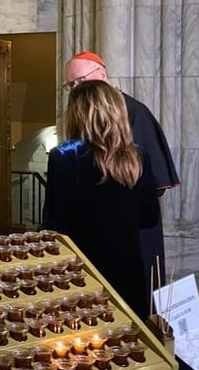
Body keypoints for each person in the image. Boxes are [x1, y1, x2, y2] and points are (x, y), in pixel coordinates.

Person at [64, 51, 180, 312]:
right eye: (70, 85)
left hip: (132, 236)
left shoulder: (133, 111)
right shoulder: (70, 143)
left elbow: (151, 191)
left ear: (101, 75)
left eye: (78, 81)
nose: (74, 89)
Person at [42, 80, 160, 316]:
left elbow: (55, 227)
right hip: (128, 270)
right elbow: (149, 218)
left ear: (76, 115)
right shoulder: (139, 155)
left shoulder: (65, 156)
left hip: (82, 272)